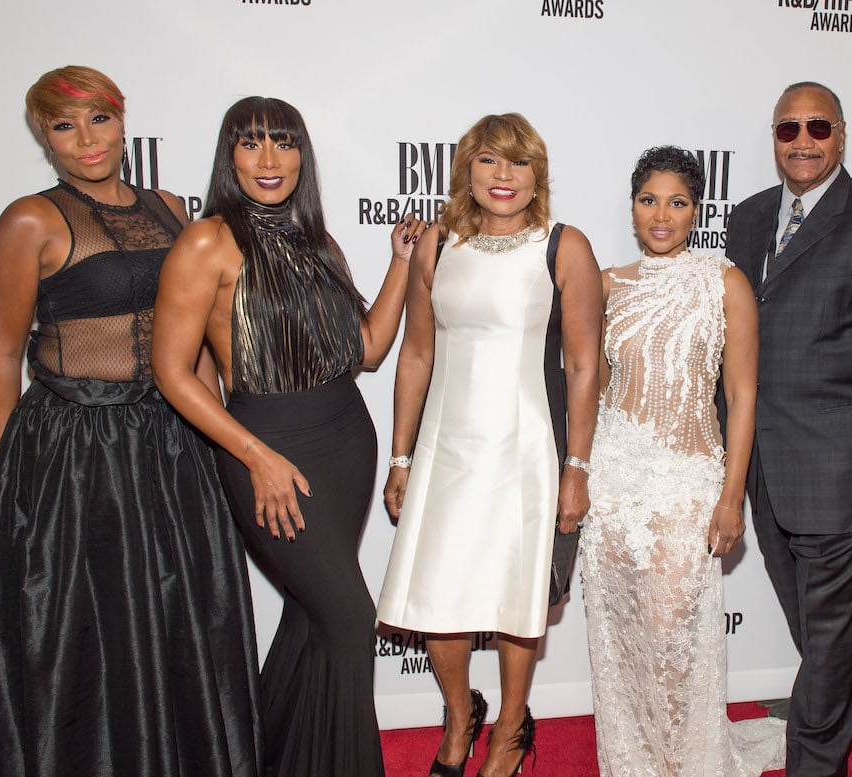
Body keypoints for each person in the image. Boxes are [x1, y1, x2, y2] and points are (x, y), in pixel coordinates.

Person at [0, 66, 261, 777]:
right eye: (64, 127)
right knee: (88, 636)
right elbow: (2, 362)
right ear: (45, 139)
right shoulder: (28, 220)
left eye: (97, 119)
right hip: (74, 454)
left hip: (170, 446)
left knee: (183, 622)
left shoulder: (169, 208)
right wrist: (19, 492)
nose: (86, 140)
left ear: (121, 118)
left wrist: (229, 447)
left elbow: (189, 348)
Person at [151, 96, 426, 777]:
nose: (269, 159)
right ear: (229, 156)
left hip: (345, 444)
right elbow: (170, 371)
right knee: (350, 619)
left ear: (303, 154)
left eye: (284, 142)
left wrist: (399, 262)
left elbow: (364, 348)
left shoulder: (321, 243)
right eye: (251, 144)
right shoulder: (206, 241)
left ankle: (270, 759)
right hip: (266, 449)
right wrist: (255, 456)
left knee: (310, 623)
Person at [378, 113, 601, 777]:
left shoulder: (563, 246)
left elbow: (586, 366)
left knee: (514, 597)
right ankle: (458, 717)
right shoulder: (438, 244)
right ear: (466, 172)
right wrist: (400, 455)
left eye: (518, 162)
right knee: (436, 596)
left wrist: (576, 467)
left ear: (538, 174)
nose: (503, 176)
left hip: (525, 447)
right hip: (447, 445)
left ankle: (509, 727)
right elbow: (415, 352)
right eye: (488, 161)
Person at [724, 81, 852, 777]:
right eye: (789, 128)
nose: (803, 140)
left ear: (841, 135)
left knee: (835, 645)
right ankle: (822, 740)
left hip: (845, 477)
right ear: (774, 137)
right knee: (821, 642)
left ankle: (814, 764)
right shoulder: (749, 219)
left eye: (818, 126)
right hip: (763, 471)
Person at [581, 146, 784, 777]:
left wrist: (732, 497)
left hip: (686, 488)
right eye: (649, 200)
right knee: (619, 645)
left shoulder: (724, 282)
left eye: (677, 201)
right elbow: (586, 384)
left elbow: (743, 395)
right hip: (612, 487)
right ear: (632, 207)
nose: (661, 216)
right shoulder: (607, 284)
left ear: (697, 209)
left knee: (670, 640)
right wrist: (579, 475)